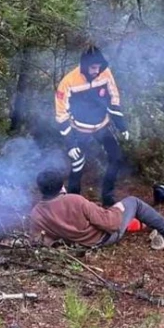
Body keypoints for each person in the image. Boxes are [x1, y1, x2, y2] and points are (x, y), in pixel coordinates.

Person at [29, 170, 164, 249]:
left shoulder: (37, 213)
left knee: (114, 210)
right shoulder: (74, 200)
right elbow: (111, 224)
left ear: (41, 189)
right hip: (102, 239)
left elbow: (40, 241)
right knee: (133, 202)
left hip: (77, 245)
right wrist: (117, 210)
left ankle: (149, 226)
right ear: (61, 185)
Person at [55, 45, 128, 207]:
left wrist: (121, 126)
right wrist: (70, 144)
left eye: (99, 67)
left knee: (116, 158)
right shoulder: (68, 82)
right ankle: (74, 204)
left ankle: (108, 198)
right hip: (80, 130)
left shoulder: (105, 73)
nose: (97, 71)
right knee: (77, 164)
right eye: (93, 68)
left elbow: (114, 99)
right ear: (85, 66)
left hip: (103, 126)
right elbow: (61, 115)